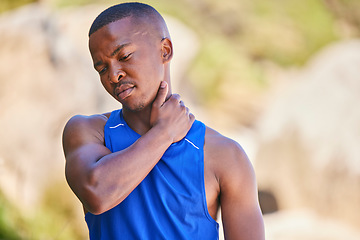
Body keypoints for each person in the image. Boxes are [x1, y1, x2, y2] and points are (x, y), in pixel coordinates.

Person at [62, 2, 265, 239]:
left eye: (124, 56)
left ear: (165, 50)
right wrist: (163, 133)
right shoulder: (89, 132)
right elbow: (97, 193)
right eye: (102, 68)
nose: (114, 75)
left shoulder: (225, 155)